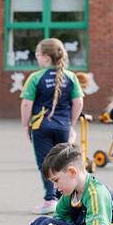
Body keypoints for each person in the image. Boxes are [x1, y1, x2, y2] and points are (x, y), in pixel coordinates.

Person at [21, 38, 84, 215]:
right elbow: (78, 102)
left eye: (38, 54)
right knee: (65, 163)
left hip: (41, 126)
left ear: (47, 57)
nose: (37, 57)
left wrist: (25, 125)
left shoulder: (36, 77)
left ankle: (50, 199)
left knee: (45, 162)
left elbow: (26, 104)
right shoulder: (71, 77)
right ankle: (67, 200)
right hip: (63, 125)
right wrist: (70, 123)